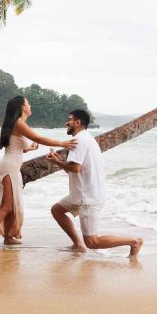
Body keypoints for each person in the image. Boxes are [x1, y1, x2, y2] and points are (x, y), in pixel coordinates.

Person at [0, 96, 77, 249]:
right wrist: (62, 143)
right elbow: (38, 137)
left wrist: (29, 148)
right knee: (7, 206)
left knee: (14, 205)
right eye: (28, 103)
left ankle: (8, 237)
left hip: (10, 166)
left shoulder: (17, 124)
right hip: (10, 167)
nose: (30, 105)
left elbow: (16, 147)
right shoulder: (19, 123)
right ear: (22, 107)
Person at [47, 109, 143, 257]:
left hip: (87, 198)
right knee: (57, 210)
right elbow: (74, 169)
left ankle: (134, 241)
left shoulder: (78, 140)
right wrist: (59, 162)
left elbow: (75, 168)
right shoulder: (86, 138)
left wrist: (57, 163)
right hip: (81, 194)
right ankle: (77, 244)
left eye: (70, 119)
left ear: (78, 123)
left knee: (92, 242)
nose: (67, 122)